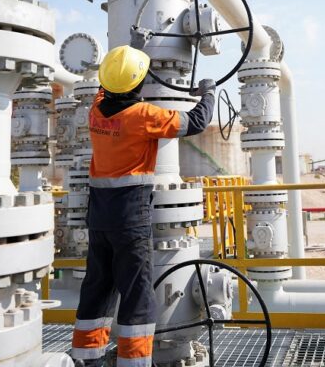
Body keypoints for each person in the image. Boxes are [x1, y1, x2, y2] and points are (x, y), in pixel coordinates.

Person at [70, 44, 216, 367]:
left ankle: (85, 358)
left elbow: (105, 87)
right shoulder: (143, 117)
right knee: (137, 296)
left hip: (99, 218)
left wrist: (129, 53)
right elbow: (195, 122)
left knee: (97, 286)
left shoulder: (95, 111)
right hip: (130, 219)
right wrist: (209, 92)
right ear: (137, 85)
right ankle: (133, 363)